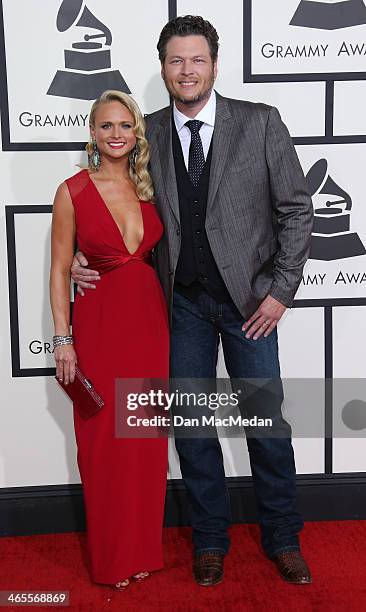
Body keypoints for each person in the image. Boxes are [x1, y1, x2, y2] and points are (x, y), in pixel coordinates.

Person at [72, 16, 314, 586]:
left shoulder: (259, 123)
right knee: (194, 430)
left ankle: (282, 537)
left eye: (197, 59)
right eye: (176, 61)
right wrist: (86, 258)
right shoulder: (145, 132)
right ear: (163, 68)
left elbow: (298, 210)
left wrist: (280, 292)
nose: (187, 70)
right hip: (178, 307)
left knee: (266, 427)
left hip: (251, 306)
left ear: (214, 64)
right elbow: (111, 204)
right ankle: (210, 540)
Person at [50, 90, 169, 590]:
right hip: (99, 328)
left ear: (135, 132)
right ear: (93, 133)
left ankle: (142, 550)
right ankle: (112, 559)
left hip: (149, 326)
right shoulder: (73, 190)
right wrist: (63, 339)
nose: (116, 134)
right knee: (103, 444)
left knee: (143, 443)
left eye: (124, 125)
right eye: (106, 126)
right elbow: (58, 271)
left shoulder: (150, 188)